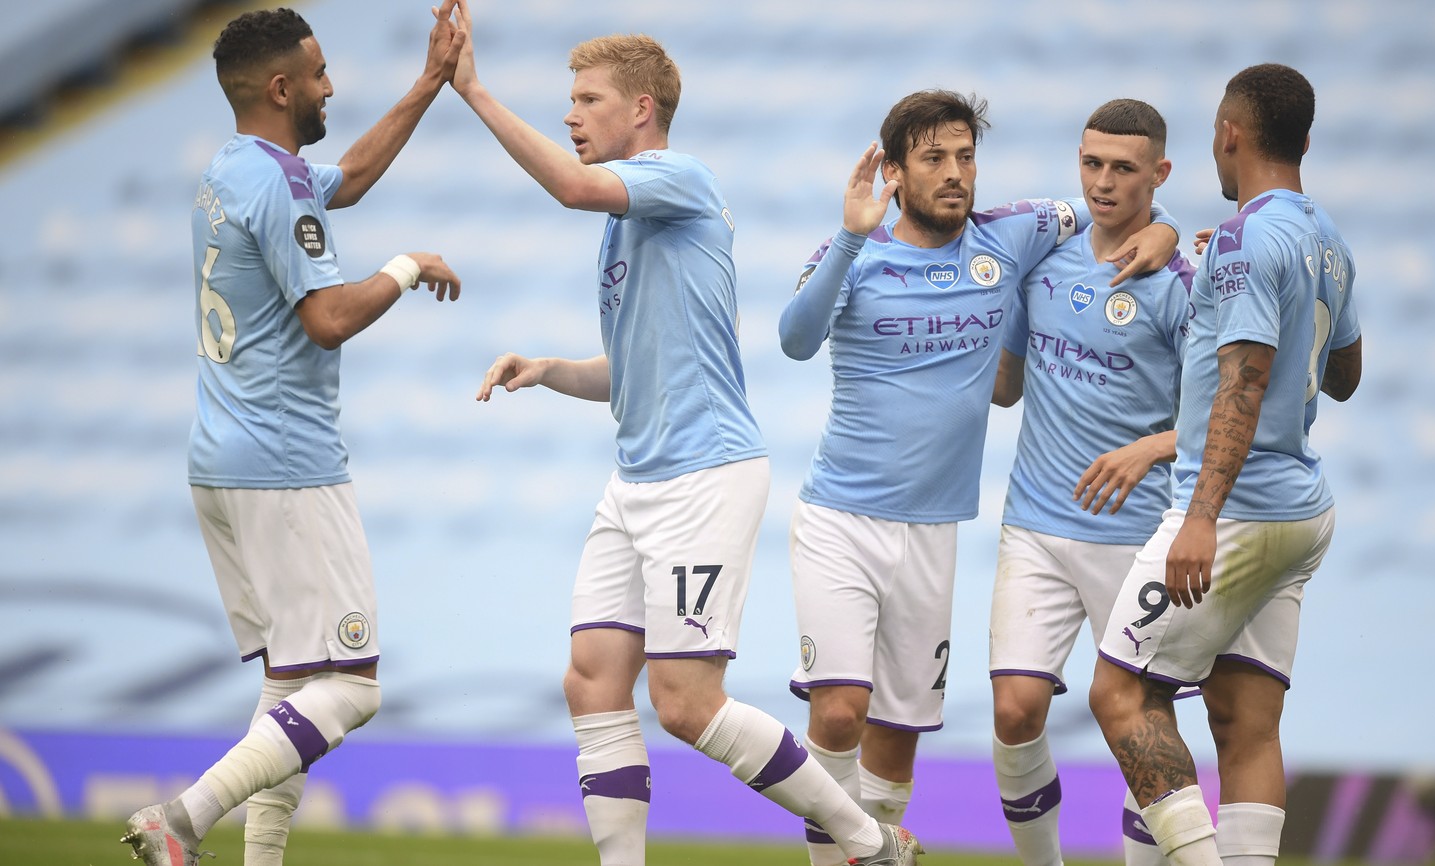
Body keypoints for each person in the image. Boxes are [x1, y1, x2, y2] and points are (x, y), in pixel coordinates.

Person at [446, 2, 918, 863]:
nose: (570, 114)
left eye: (587, 99)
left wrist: (471, 89)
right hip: (634, 480)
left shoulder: (680, 177)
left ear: (641, 111)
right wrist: (551, 369)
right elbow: (634, 373)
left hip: (702, 478)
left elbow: (569, 186)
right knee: (591, 679)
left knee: (687, 705)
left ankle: (862, 836)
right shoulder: (631, 222)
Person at [778, 90, 1177, 866]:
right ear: (893, 173)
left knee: (897, 738)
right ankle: (859, 848)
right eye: (934, 159)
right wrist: (848, 238)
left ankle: (874, 844)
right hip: (840, 519)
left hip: (933, 532)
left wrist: (1161, 230)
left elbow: (1115, 198)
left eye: (965, 157)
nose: (955, 174)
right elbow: (796, 338)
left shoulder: (1015, 234)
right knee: (837, 716)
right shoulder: (858, 254)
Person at [118, 7, 464, 866]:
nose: (330, 86)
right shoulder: (275, 185)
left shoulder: (236, 171)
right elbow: (328, 318)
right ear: (281, 88)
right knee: (351, 688)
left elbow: (341, 179)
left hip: (223, 460)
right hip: (286, 466)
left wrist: (427, 87)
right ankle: (182, 819)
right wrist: (408, 265)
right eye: (316, 74)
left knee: (292, 685)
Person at [1087, 63, 1362, 866]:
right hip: (1302, 511)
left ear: (1229, 134)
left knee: (1122, 691)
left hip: (1238, 509)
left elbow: (1242, 382)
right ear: (1304, 141)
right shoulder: (1326, 239)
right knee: (1245, 722)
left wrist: (1201, 518)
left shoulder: (1244, 236)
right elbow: (1342, 377)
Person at [987, 98, 1194, 866]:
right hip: (1035, 524)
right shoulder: (1047, 251)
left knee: (1140, 728)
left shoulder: (1181, 279)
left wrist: (1151, 448)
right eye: (1091, 163)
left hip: (1135, 536)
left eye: (1124, 169)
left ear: (1160, 174)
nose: (1104, 182)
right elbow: (1005, 385)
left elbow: (1230, 415)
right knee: (1015, 710)